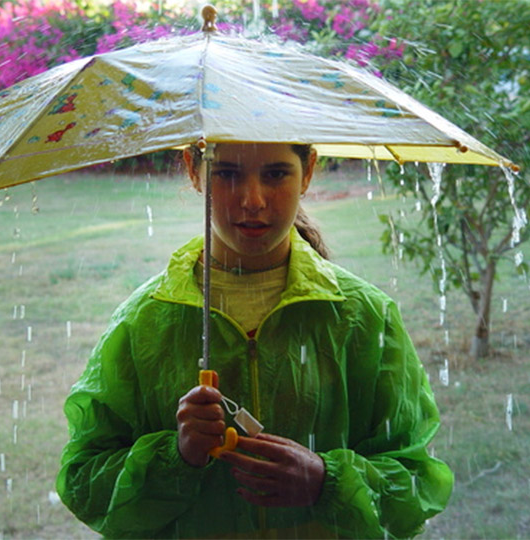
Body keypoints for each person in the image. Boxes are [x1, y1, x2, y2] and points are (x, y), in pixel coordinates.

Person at [56, 142, 453, 539]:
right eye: (227, 174)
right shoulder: (143, 321)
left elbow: (416, 481)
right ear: (194, 171)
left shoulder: (363, 317)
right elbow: (84, 481)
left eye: (276, 174)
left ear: (308, 170)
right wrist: (177, 457)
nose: (252, 200)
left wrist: (325, 482)